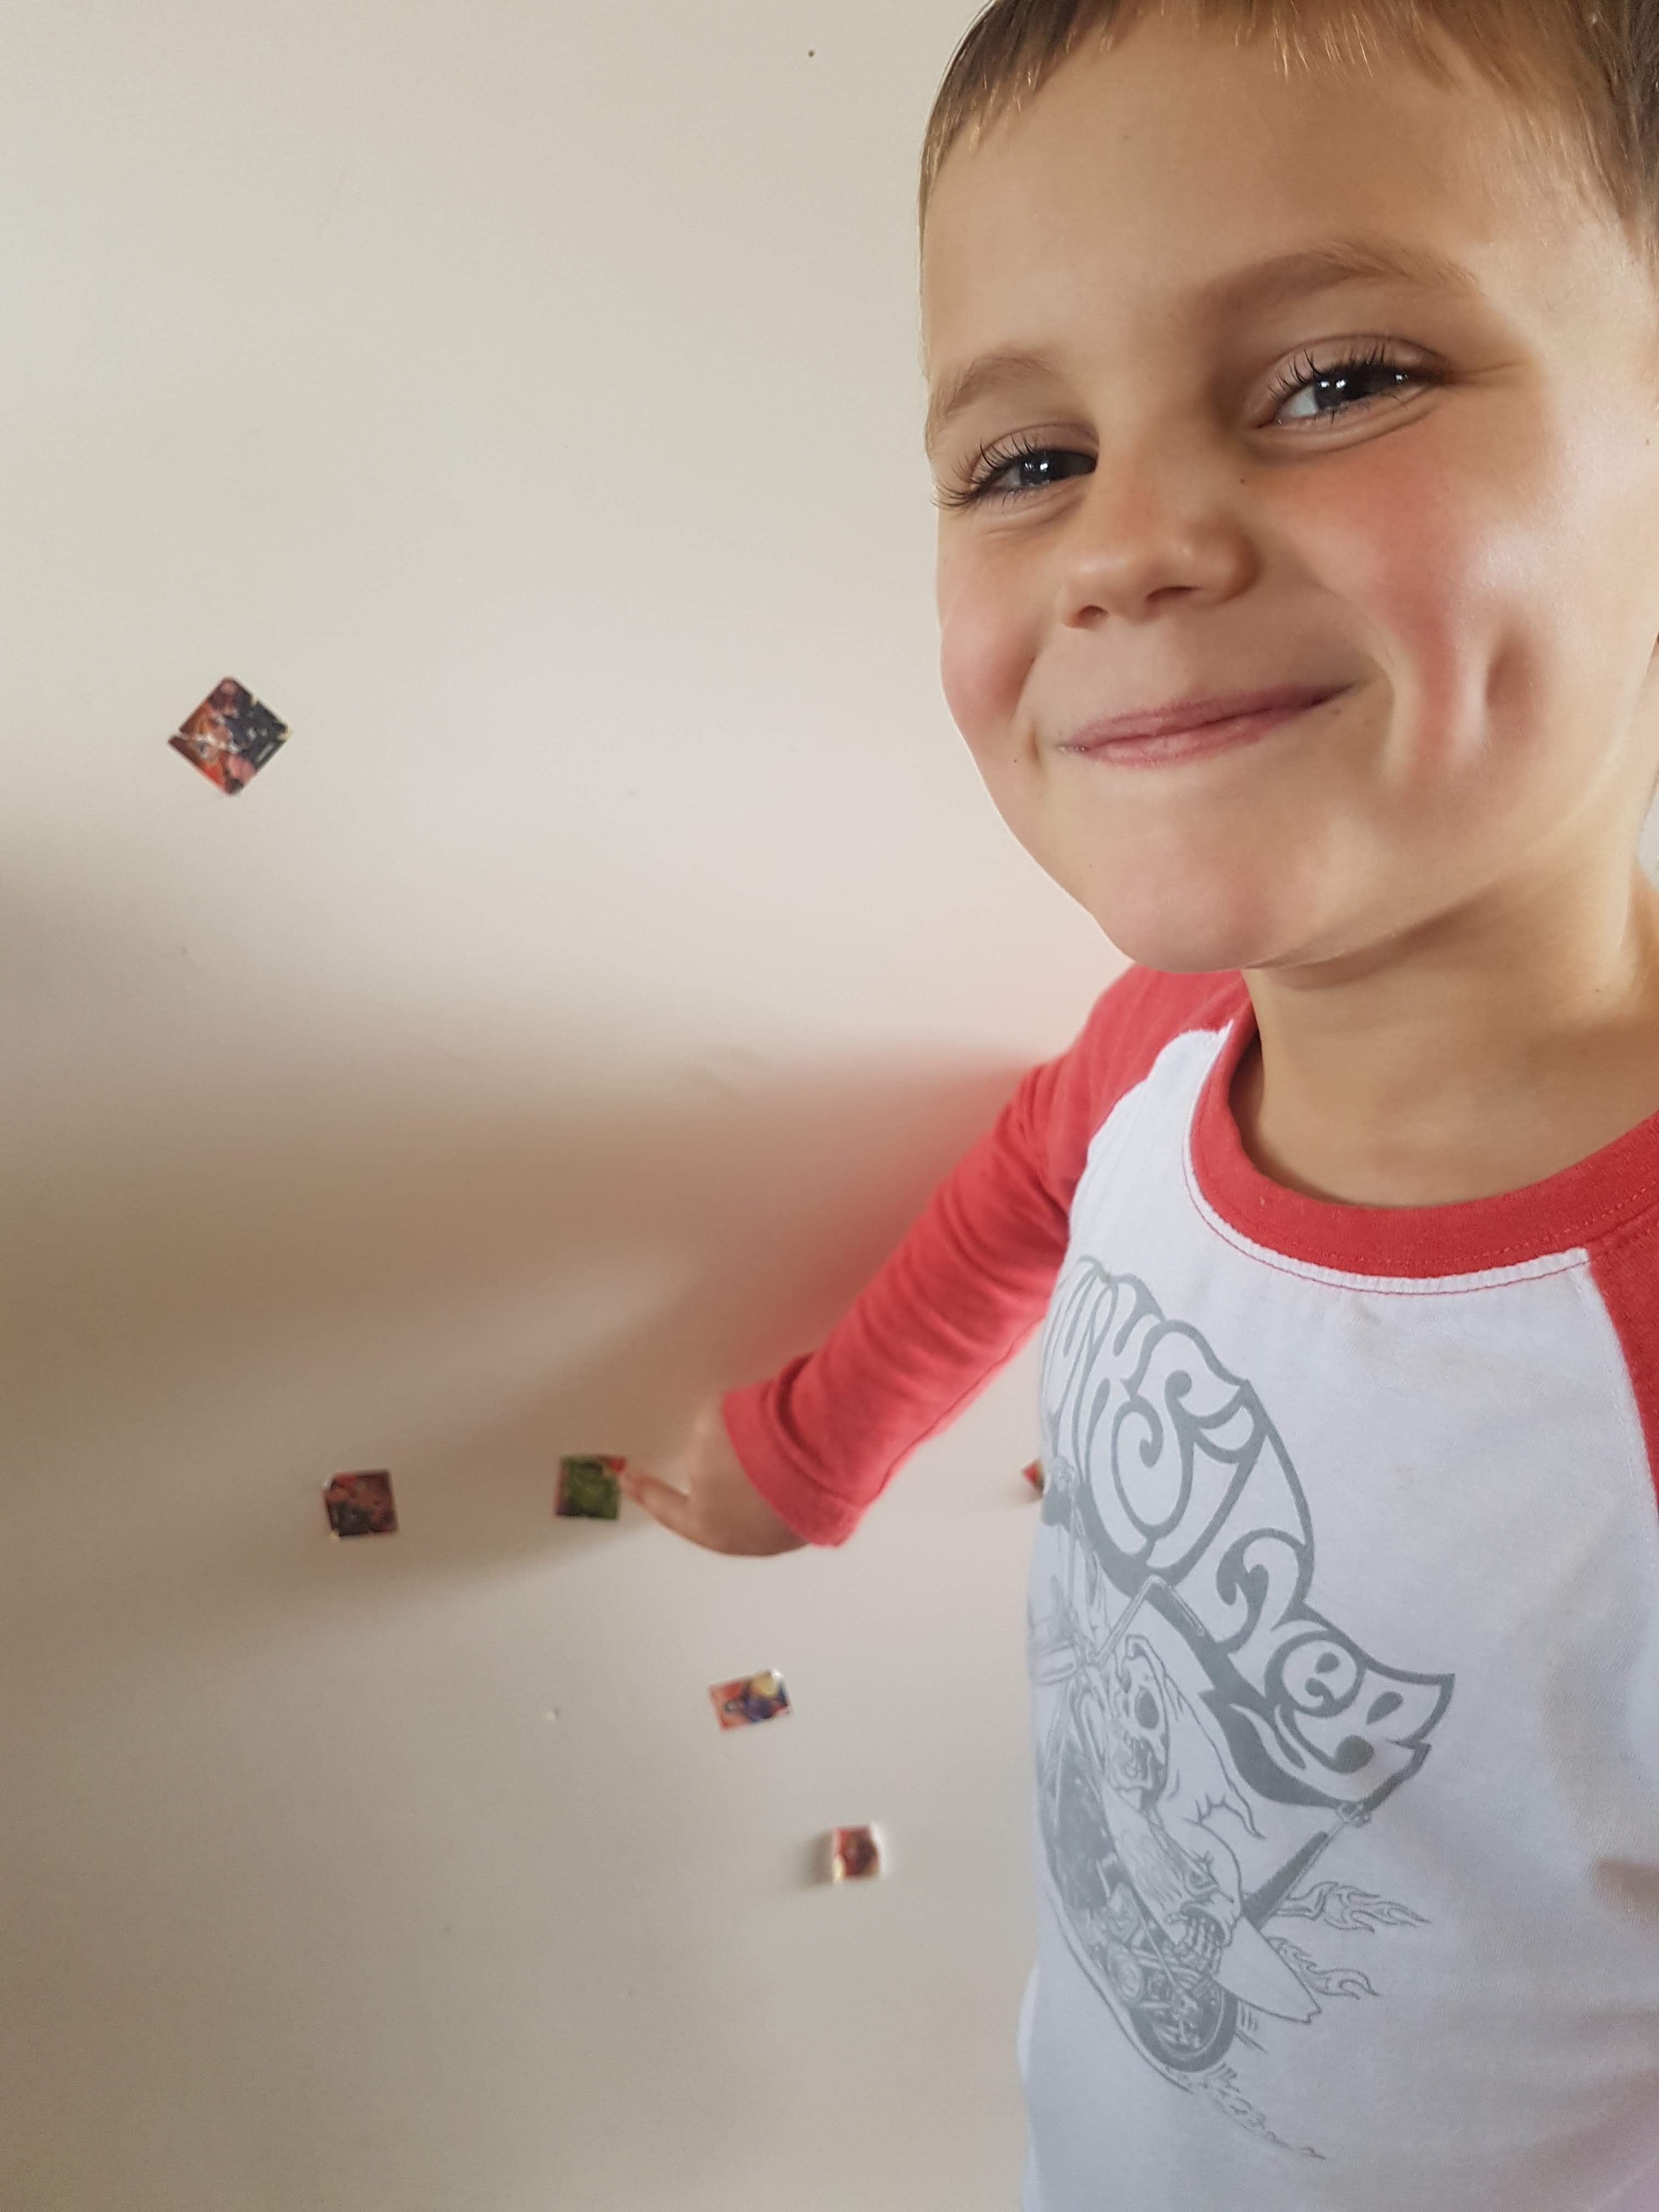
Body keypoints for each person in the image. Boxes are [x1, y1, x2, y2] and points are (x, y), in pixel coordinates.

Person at [622, 3, 1659, 2204]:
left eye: (1341, 381)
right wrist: (815, 1444)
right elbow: (1033, 1174)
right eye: (1026, 463)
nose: (1130, 542)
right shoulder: (1173, 1039)